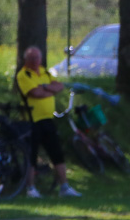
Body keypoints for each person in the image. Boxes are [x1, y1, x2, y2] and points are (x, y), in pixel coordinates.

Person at [16, 46, 82, 198]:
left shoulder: (44, 72)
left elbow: (59, 86)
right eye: (31, 58)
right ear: (26, 60)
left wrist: (46, 87)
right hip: (32, 120)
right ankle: (31, 188)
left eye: (37, 58)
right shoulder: (24, 74)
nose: (35, 61)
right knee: (31, 155)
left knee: (56, 152)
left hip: (48, 119)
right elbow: (35, 93)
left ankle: (64, 186)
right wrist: (48, 90)